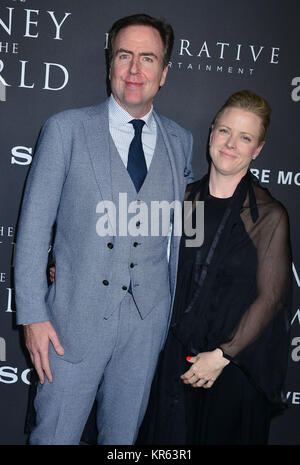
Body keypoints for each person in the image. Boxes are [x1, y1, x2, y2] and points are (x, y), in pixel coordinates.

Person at [14, 13, 194, 445]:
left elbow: (180, 235)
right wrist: (33, 316)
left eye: (148, 59)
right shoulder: (65, 130)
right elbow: (34, 230)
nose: (135, 70)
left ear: (164, 72)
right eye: (124, 56)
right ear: (110, 64)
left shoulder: (180, 141)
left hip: (145, 326)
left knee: (123, 442)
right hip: (71, 325)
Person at [137, 89, 292, 445]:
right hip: (172, 364)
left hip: (231, 373)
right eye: (224, 131)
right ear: (211, 133)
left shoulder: (268, 216)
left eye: (245, 137)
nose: (230, 144)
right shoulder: (182, 199)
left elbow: (271, 299)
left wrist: (221, 357)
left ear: (258, 149)